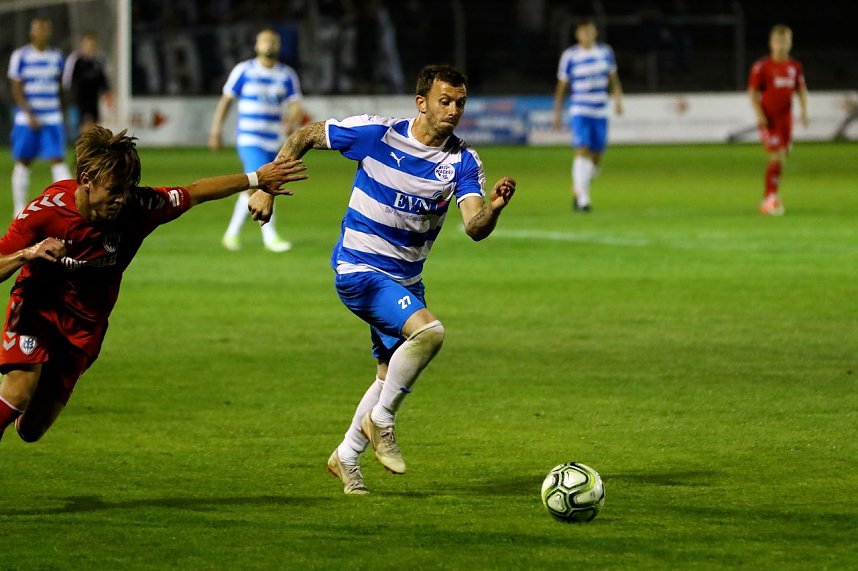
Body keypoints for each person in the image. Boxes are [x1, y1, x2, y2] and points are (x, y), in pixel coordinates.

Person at [249, 63, 516, 495]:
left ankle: (346, 456)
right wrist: (266, 187)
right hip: (359, 269)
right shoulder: (378, 134)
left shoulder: (462, 161)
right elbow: (306, 135)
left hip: (405, 280)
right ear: (421, 103)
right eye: (445, 101)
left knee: (387, 373)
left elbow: (474, 227)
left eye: (460, 103)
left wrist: (495, 209)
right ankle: (383, 421)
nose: (453, 110)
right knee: (430, 333)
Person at [0, 125, 306, 445]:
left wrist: (257, 179)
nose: (121, 199)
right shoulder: (46, 212)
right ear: (86, 181)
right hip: (37, 308)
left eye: (127, 189)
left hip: (85, 327)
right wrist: (27, 254)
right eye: (114, 190)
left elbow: (196, 191)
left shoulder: (140, 206)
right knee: (17, 394)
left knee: (31, 430)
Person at [208, 28, 306, 253]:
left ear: (278, 45)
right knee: (263, 183)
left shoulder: (286, 74)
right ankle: (270, 237)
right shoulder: (244, 70)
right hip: (250, 138)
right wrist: (215, 130)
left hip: (275, 140)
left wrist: (292, 121)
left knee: (255, 186)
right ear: (256, 45)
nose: (269, 45)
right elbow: (226, 101)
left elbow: (296, 105)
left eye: (273, 41)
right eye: (264, 41)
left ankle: (231, 234)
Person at [552, 18, 623, 212]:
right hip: (580, 110)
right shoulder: (570, 56)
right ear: (578, 35)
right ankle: (583, 199)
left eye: (590, 31)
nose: (588, 35)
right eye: (584, 32)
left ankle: (579, 186)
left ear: (595, 33)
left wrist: (618, 100)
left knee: (597, 155)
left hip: (600, 110)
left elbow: (613, 79)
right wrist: (557, 111)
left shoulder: (605, 52)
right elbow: (562, 85)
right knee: (582, 149)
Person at [7, 18, 73, 218]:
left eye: (46, 29)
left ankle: (67, 206)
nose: (43, 32)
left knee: (58, 159)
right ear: (32, 32)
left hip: (51, 117)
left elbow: (62, 88)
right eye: (39, 28)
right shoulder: (21, 56)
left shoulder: (57, 57)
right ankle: (19, 209)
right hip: (27, 119)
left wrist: (61, 112)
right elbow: (16, 88)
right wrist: (29, 113)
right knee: (23, 160)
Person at [748, 24, 809, 216]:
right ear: (771, 43)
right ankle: (769, 199)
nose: (781, 45)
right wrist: (759, 114)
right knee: (776, 155)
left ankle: (772, 195)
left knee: (783, 155)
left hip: (786, 119)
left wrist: (804, 110)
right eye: (778, 41)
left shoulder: (794, 66)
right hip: (769, 120)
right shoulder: (762, 67)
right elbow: (753, 92)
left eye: (785, 41)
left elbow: (801, 89)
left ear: (790, 43)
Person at [62, 33, 113, 136]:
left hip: (94, 99)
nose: (90, 47)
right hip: (79, 100)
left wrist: (107, 94)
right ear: (83, 45)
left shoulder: (98, 62)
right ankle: (82, 143)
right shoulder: (76, 60)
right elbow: (67, 80)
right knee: (83, 127)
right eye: (88, 44)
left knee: (95, 127)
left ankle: (93, 144)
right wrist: (70, 97)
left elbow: (103, 81)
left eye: (92, 44)